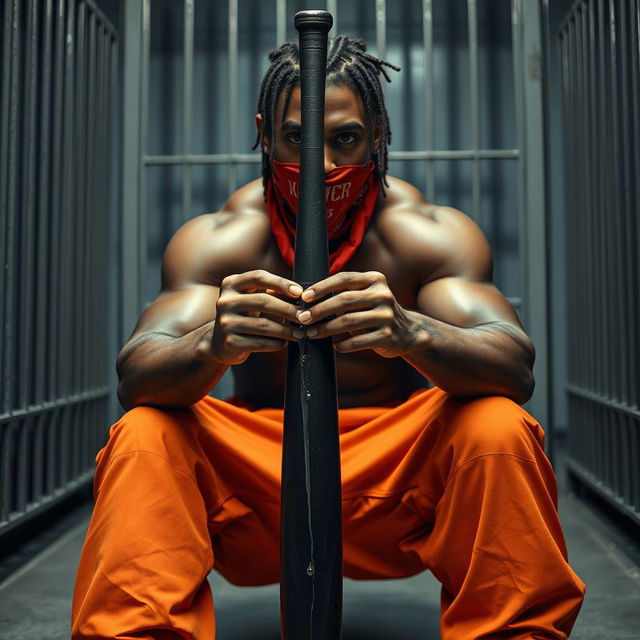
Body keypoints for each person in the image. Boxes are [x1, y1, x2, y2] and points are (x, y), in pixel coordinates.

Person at [71, 36, 585, 639]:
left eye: (345, 139)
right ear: (265, 133)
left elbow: (515, 371)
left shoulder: (424, 235)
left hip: (396, 489)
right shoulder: (221, 240)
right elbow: (136, 377)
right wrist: (212, 342)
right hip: (260, 487)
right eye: (298, 139)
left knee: (497, 425)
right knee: (145, 431)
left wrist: (409, 330)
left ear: (377, 133)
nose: (323, 167)